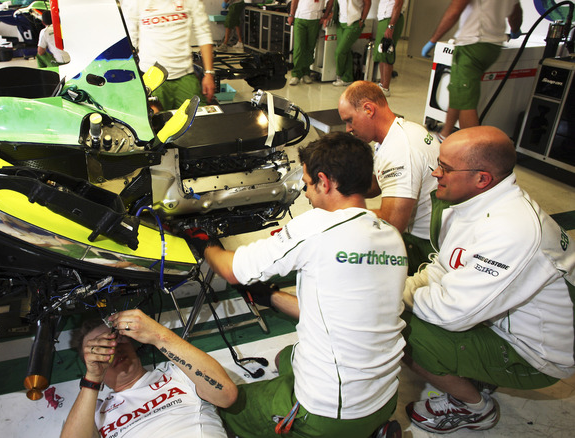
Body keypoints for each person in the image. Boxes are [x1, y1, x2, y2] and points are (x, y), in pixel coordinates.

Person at [200, 132, 408, 437]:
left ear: (325, 182)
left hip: (330, 414)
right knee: (287, 356)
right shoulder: (390, 234)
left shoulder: (317, 224)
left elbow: (233, 270)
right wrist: (269, 297)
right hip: (385, 398)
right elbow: (334, 310)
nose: (307, 195)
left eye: (309, 184)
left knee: (227, 409)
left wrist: (203, 242)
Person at [402, 126, 575, 434]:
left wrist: (392, 300)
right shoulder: (473, 202)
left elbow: (452, 314)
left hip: (537, 353)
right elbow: (444, 266)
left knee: (401, 330)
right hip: (503, 321)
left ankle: (474, 408)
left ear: (482, 178)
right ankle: (476, 370)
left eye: (446, 168)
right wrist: (403, 290)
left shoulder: (512, 229)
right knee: (406, 304)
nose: (435, 172)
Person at [60, 309, 237, 438]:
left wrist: (158, 335)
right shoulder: (94, 412)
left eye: (115, 339)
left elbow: (226, 395)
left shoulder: (177, 371)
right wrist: (92, 379)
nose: (113, 350)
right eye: (100, 349)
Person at [338, 81, 439, 275]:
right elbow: (377, 184)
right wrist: (339, 186)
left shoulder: (400, 150)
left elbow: (392, 224)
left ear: (368, 109)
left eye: (349, 120)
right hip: (422, 235)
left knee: (342, 259)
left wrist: (337, 214)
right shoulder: (399, 132)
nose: (348, 129)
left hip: (421, 247)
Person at [421, 0, 522, 139]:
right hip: (493, 46)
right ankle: (445, 133)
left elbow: (454, 11)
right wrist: (515, 30)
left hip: (473, 43)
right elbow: (516, 12)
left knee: (466, 101)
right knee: (458, 88)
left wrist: (433, 40)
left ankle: (470, 148)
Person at [122, 0, 216, 111]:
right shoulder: (134, 2)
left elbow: (203, 33)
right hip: (152, 76)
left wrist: (209, 73)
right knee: (155, 125)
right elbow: (129, 39)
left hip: (185, 75)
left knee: (199, 122)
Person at [321, 0, 371, 86]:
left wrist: (362, 20)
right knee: (346, 51)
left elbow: (368, 3)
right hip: (341, 23)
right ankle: (348, 78)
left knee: (340, 52)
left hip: (354, 22)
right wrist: (329, 16)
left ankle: (339, 75)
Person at [286, 0, 324, 86]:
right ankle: (296, 74)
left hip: (315, 19)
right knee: (299, 47)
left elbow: (330, 2)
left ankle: (306, 72)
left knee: (310, 47)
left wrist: (325, 16)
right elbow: (294, 1)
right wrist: (291, 15)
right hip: (300, 17)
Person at [373, 0, 404, 96]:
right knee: (382, 52)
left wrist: (391, 26)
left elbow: (398, 4)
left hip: (391, 20)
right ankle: (382, 84)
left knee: (387, 53)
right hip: (384, 18)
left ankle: (385, 87)